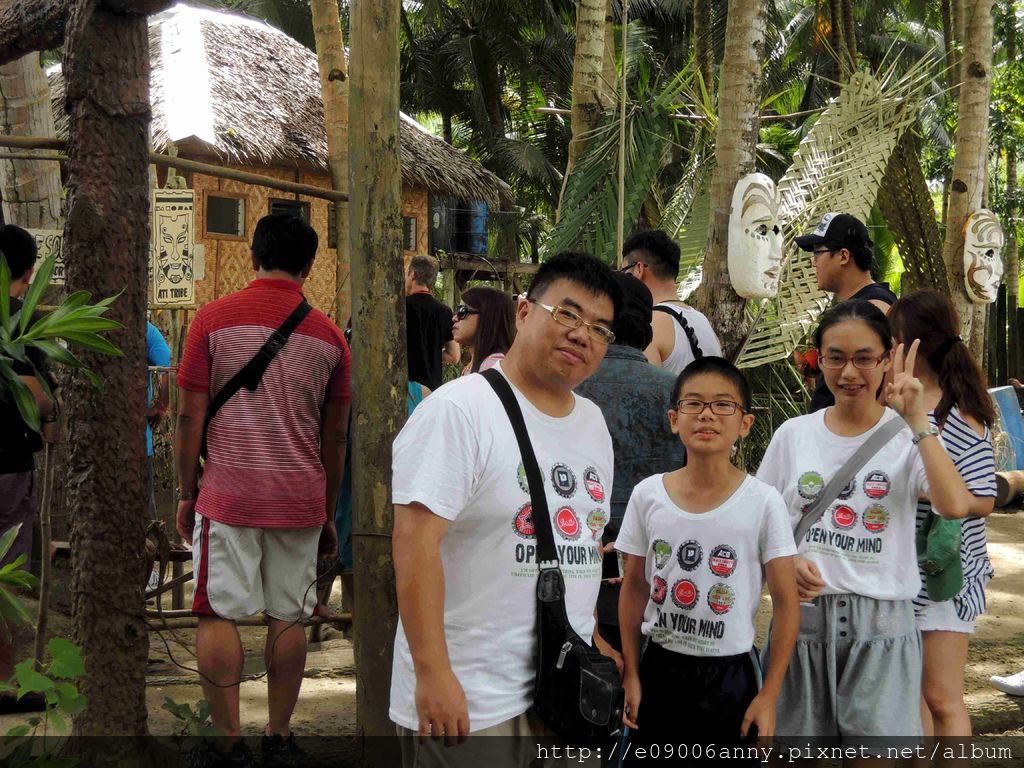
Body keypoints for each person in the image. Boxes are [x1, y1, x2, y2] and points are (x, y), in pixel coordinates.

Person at [390, 251, 623, 766]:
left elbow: (580, 542)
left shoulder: (593, 423)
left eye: (600, 329)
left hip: (565, 688)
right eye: (567, 314)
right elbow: (413, 544)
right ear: (523, 311)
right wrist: (432, 672)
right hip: (472, 698)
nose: (581, 335)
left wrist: (592, 635)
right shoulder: (458, 411)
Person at [756, 300, 976, 744]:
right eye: (835, 357)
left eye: (863, 358)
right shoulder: (793, 435)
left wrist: (918, 421)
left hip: (883, 629)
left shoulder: (909, 436)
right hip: (801, 624)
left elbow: (955, 505)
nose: (849, 373)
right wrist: (785, 561)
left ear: (886, 360)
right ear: (819, 360)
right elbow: (759, 522)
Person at [175, 213, 351, 767]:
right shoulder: (330, 338)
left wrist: (186, 490)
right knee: (289, 615)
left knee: (216, 613)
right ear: (309, 266)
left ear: (253, 256)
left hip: (227, 495)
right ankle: (278, 736)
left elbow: (188, 417)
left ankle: (229, 745)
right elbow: (336, 436)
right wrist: (326, 508)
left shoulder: (211, 320)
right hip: (300, 499)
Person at [616, 357, 799, 755]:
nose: (707, 415)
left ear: (745, 424)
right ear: (674, 419)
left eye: (723, 405)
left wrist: (769, 695)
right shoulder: (648, 495)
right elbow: (634, 586)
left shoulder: (764, 502)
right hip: (659, 667)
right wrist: (632, 672)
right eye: (694, 403)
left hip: (731, 676)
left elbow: (787, 603)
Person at [888, 291, 998, 738]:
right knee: (910, 696)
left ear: (914, 344)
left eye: (893, 338)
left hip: (943, 575)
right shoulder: (891, 402)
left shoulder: (959, 412)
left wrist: (934, 491)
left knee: (941, 697)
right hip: (898, 570)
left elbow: (984, 499)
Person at [574, 272, 684, 651]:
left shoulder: (567, 391)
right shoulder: (677, 392)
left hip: (583, 561)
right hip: (661, 564)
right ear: (647, 331)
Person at [0, 227, 55, 714]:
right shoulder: (21, 324)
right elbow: (36, 397)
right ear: (29, 272)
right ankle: (5, 681)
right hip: (8, 466)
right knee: (8, 574)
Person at [793, 212, 897, 412]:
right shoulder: (860, 304)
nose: (814, 262)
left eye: (818, 253)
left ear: (843, 256)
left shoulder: (874, 306)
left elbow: (888, 379)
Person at [621, 230, 721, 375]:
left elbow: (644, 386)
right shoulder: (703, 321)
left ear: (639, 269)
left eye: (623, 271)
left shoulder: (650, 325)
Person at [406, 255, 459, 390]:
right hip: (432, 390)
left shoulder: (399, 309)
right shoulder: (445, 311)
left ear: (412, 274)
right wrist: (431, 352)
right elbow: (454, 356)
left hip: (405, 388)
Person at [451, 286, 515, 375]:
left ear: (488, 317)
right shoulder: (474, 363)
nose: (454, 318)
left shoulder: (493, 366)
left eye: (462, 311)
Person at [146, 321, 171, 517]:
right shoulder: (145, 330)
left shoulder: (88, 324)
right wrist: (161, 406)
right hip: (138, 439)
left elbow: (168, 370)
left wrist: (160, 406)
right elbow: (168, 370)